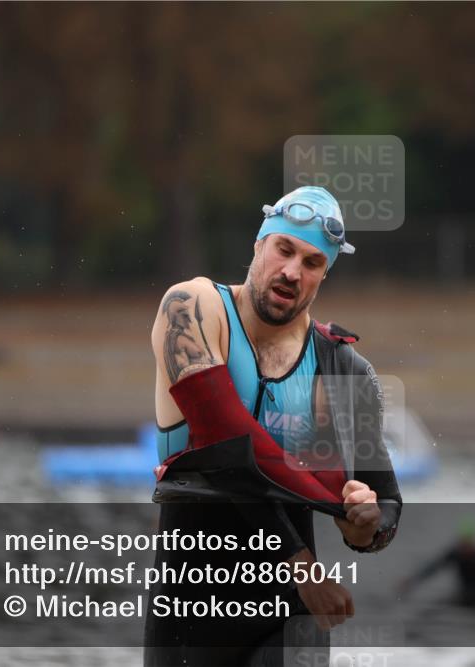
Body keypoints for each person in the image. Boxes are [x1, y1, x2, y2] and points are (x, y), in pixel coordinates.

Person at [144, 186, 402, 666]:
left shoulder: (340, 365)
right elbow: (224, 445)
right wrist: (306, 555)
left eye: (311, 263)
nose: (292, 272)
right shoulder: (193, 308)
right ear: (259, 244)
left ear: (323, 275)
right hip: (191, 614)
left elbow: (385, 500)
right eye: (284, 249)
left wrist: (366, 525)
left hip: (293, 617)